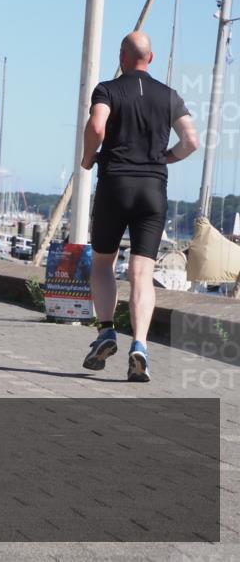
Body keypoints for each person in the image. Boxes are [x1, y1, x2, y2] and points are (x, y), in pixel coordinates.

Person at [80, 31, 198, 382]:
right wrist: (167, 158)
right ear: (152, 57)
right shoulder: (169, 96)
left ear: (122, 56)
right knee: (142, 273)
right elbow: (191, 140)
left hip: (115, 184)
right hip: (152, 188)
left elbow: (97, 126)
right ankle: (140, 345)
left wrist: (89, 158)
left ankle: (105, 331)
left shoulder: (108, 90)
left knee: (103, 262)